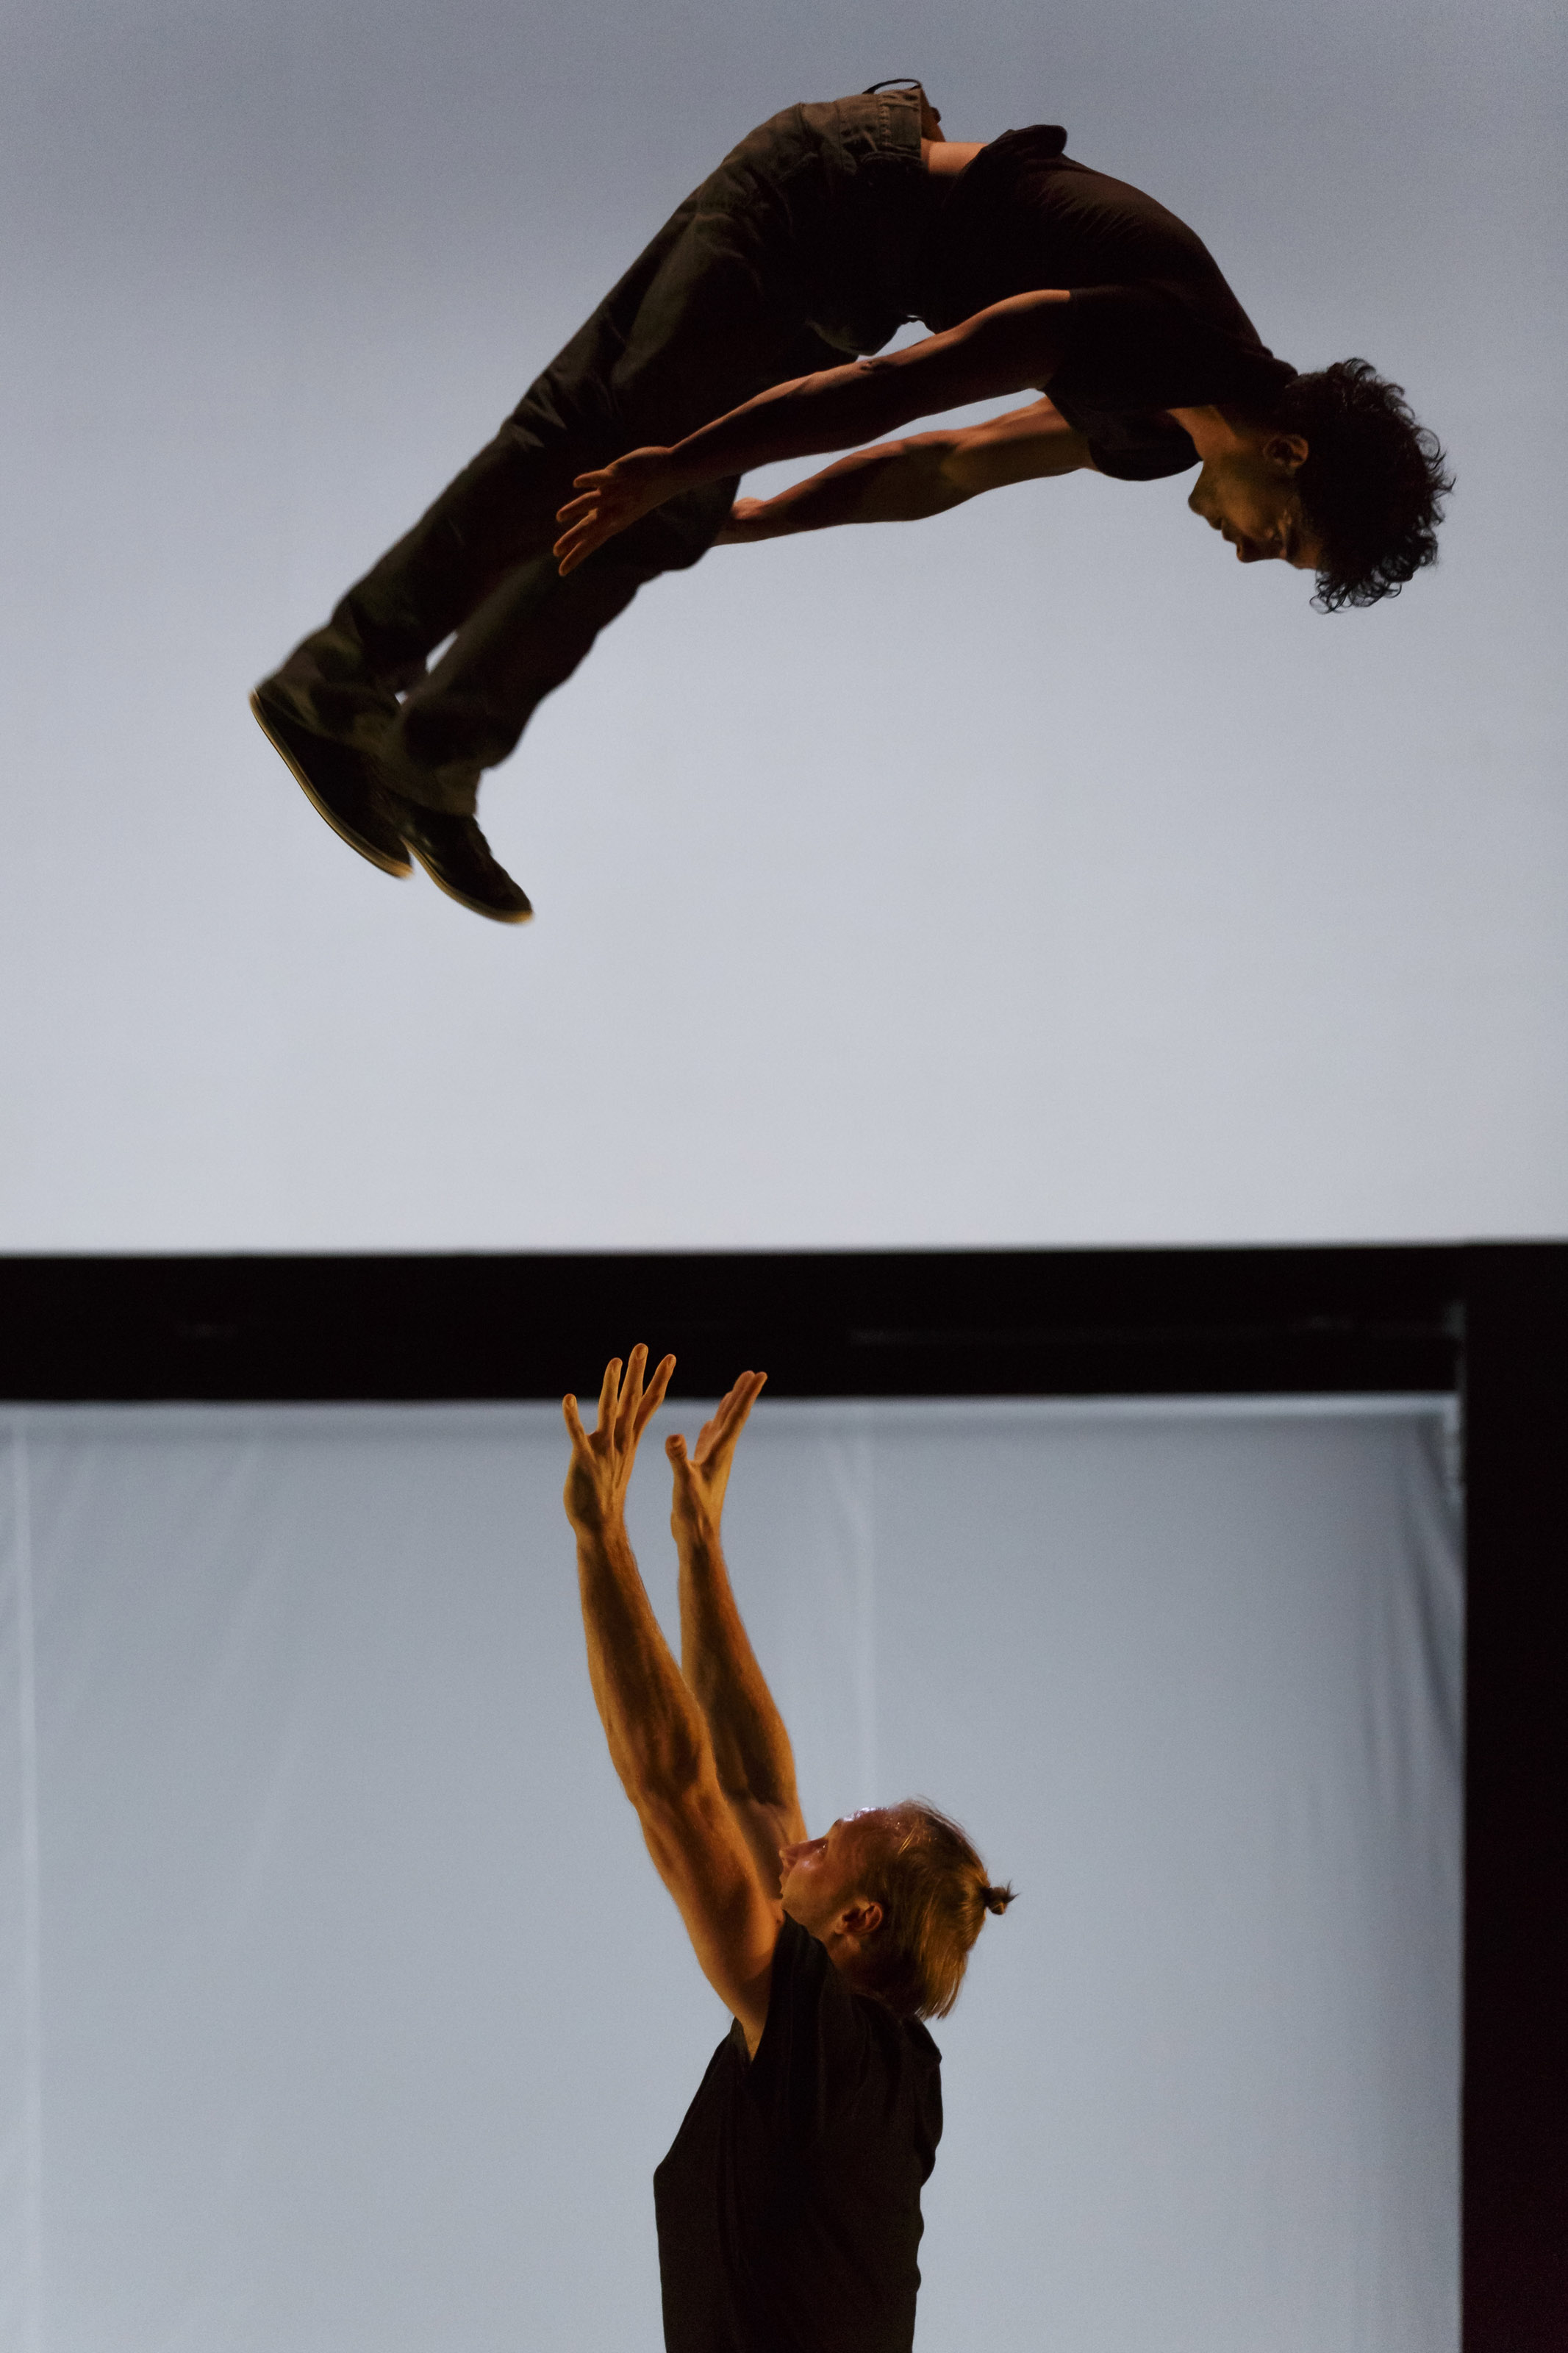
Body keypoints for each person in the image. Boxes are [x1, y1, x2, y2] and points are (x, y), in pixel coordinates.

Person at [253, 82, 1451, 922]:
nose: (1245, 556)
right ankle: (337, 687)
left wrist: (753, 516)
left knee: (654, 502)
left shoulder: (1151, 441)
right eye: (1279, 539)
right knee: (602, 455)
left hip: (838, 277)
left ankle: (425, 758)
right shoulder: (1165, 333)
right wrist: (677, 470)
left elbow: (943, 467)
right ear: (1287, 452)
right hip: (812, 195)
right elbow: (905, 392)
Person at [560, 1343, 1012, 2353]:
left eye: (836, 1843)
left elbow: (676, 1795)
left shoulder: (832, 2056)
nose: (809, 1834)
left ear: (858, 1918)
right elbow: (753, 1789)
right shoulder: (873, 2061)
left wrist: (601, 1538)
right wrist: (698, 1547)